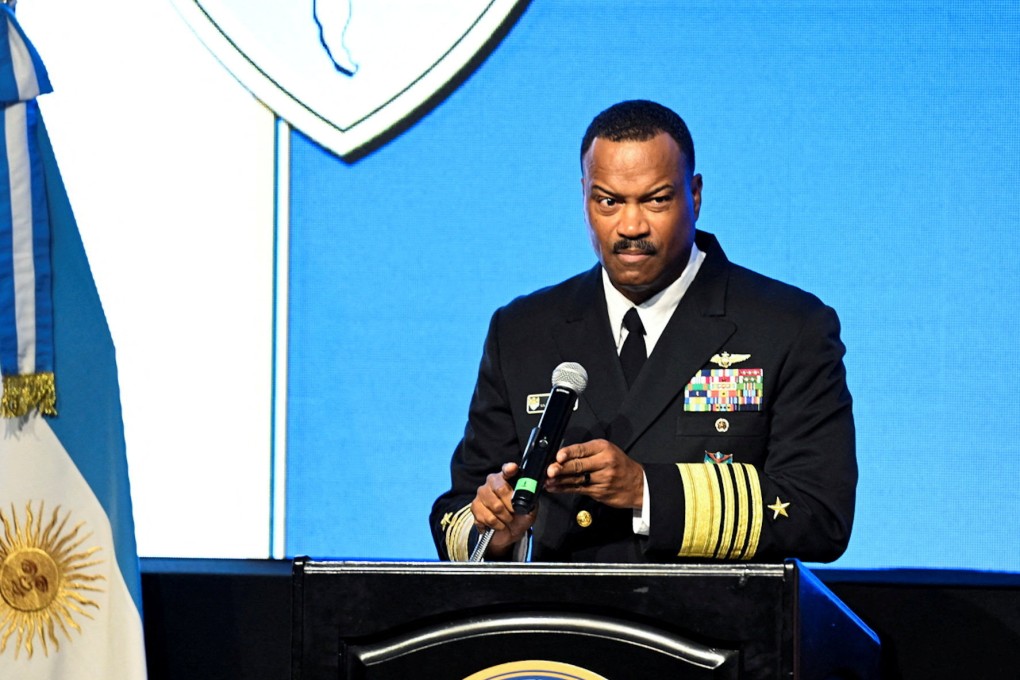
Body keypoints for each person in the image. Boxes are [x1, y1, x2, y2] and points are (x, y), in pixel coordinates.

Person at [430, 100, 856, 563]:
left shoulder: (788, 326)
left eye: (655, 199)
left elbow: (820, 514)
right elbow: (459, 510)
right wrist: (496, 529)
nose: (630, 226)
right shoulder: (521, 330)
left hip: (708, 629)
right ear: (585, 197)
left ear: (694, 195)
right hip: (563, 625)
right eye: (608, 201)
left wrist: (645, 490)